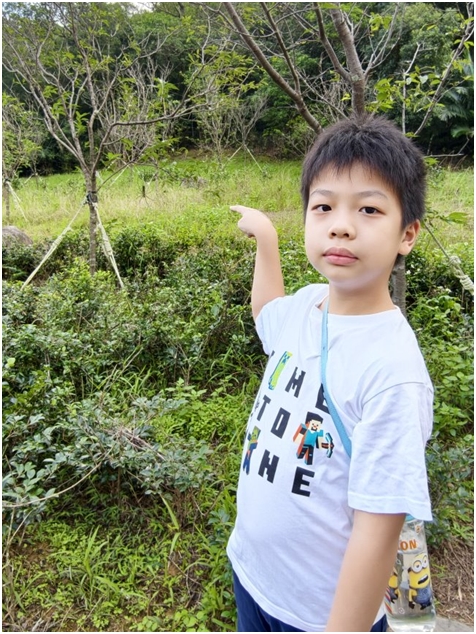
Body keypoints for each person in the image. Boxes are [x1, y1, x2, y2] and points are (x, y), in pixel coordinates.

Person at [227, 115, 433, 632]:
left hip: (320, 615)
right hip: (253, 577)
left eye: (368, 208)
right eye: (323, 207)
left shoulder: (392, 369)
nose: (341, 224)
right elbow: (266, 314)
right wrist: (266, 240)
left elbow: (378, 531)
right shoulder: (306, 306)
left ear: (407, 233)